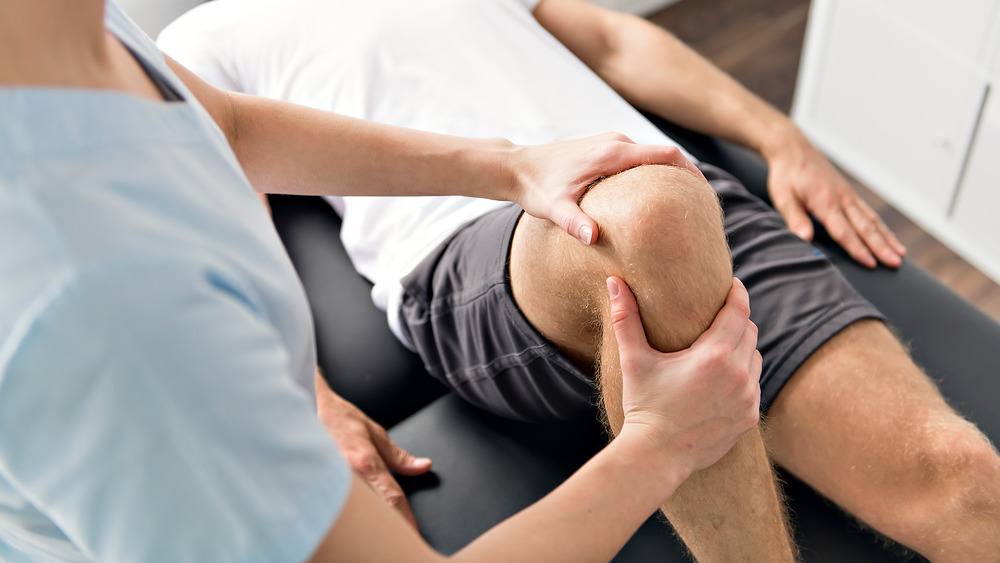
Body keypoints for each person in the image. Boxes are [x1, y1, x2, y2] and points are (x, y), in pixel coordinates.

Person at [159, 0, 1000, 561]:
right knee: (649, 212)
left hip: (681, 201)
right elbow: (225, 212)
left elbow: (613, 41)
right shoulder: (206, 37)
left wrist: (780, 134)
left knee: (969, 484)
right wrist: (306, 393)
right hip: (477, 255)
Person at [0, 1, 766, 561]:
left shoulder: (70, 28)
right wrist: (663, 444)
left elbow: (228, 126)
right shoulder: (99, 300)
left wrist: (509, 166)